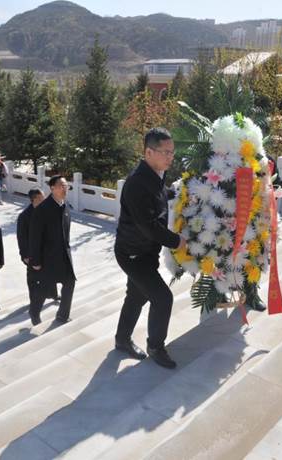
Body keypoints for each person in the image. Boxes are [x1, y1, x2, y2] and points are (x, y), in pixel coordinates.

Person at [114, 128, 187, 369]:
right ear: (148, 152)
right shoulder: (136, 183)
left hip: (146, 252)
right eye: (166, 152)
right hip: (133, 253)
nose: (170, 157)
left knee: (136, 296)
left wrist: (178, 194)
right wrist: (177, 241)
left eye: (172, 152)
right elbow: (148, 227)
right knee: (162, 298)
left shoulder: (155, 173)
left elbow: (159, 193)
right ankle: (155, 346)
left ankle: (122, 340)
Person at [28, 175, 75, 326]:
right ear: (52, 188)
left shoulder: (66, 206)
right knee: (44, 288)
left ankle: (62, 315)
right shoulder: (42, 209)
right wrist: (35, 261)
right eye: (61, 185)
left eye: (66, 185)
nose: (65, 188)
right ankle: (34, 311)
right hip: (48, 258)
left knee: (70, 283)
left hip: (64, 256)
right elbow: (35, 237)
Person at [16, 188, 59, 304]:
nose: (44, 200)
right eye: (41, 198)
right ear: (34, 200)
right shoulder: (24, 216)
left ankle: (53, 294)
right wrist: (24, 255)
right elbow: (21, 238)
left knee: (50, 273)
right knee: (33, 279)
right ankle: (34, 301)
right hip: (32, 254)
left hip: (47, 251)